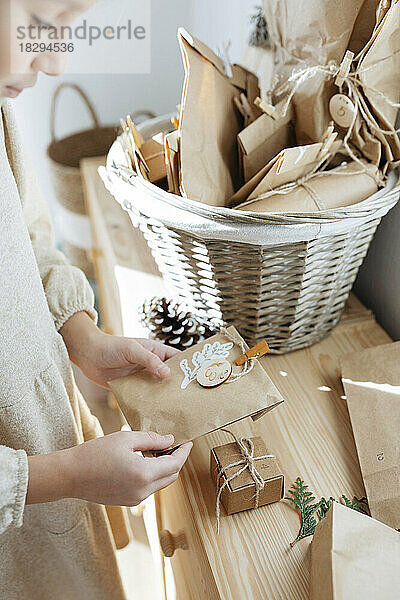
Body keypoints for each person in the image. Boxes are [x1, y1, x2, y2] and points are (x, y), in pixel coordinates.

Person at [0, 2, 192, 598]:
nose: (55, 62)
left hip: (45, 463)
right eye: (40, 21)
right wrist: (62, 475)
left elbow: (25, 233)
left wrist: (81, 335)